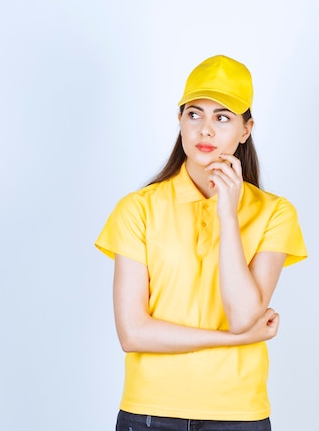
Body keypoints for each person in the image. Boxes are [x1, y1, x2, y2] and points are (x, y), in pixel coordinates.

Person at [95, 54, 307, 431]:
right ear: (180, 121)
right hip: (149, 411)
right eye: (194, 114)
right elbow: (133, 333)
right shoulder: (137, 209)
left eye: (222, 117)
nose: (205, 130)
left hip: (238, 414)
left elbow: (244, 316)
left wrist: (228, 213)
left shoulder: (275, 213)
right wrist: (231, 339)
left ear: (246, 129)